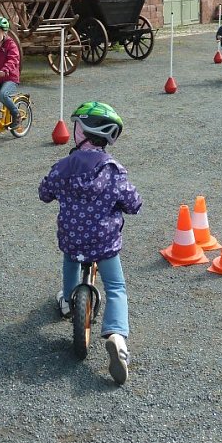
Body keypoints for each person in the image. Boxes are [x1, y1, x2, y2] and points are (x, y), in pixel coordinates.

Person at [38, 102, 142, 385]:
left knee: (71, 260)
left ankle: (68, 300)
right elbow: (133, 204)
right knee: (116, 287)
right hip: (104, 241)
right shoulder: (113, 170)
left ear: (82, 132)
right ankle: (117, 337)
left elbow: (44, 192)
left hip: (72, 238)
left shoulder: (64, 167)